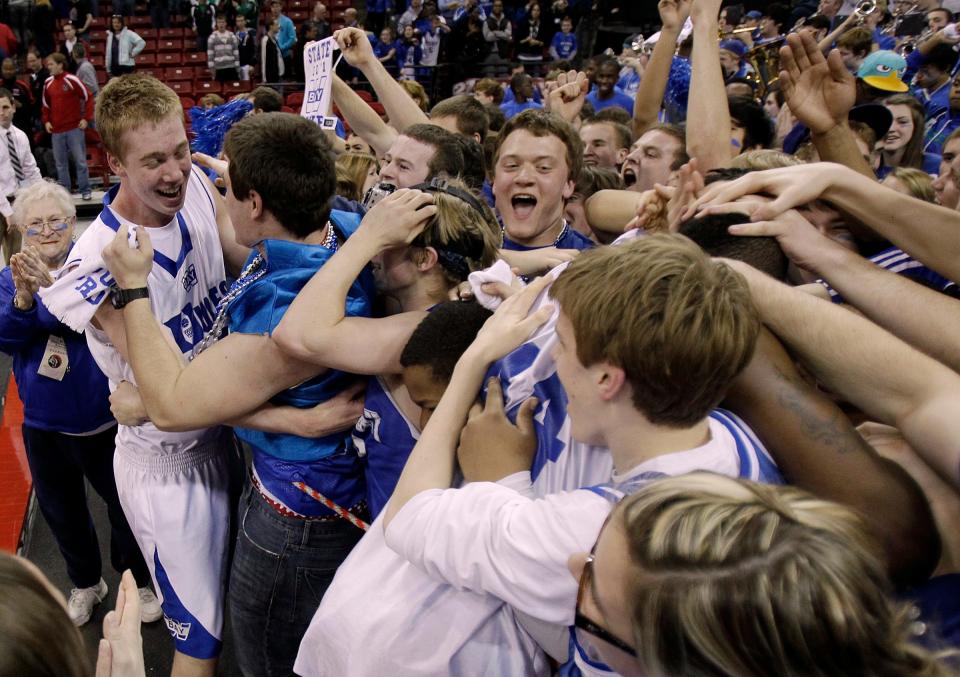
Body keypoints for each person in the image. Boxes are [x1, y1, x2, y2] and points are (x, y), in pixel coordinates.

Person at [100, 111, 375, 677]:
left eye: (229, 191)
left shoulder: (284, 311)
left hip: (292, 517)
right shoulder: (341, 228)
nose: (212, 192)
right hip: (310, 486)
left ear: (254, 206)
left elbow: (177, 403)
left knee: (266, 659)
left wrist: (130, 289)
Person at [39, 74, 246, 677]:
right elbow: (173, 391)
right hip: (168, 471)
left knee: (229, 617)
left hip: (223, 436)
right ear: (112, 163)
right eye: (153, 160)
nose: (174, 172)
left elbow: (246, 265)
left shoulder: (200, 187)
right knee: (197, 648)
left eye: (179, 150)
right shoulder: (95, 260)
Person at [274, 180, 500, 520]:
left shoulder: (426, 332)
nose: (377, 254)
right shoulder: (417, 313)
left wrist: (366, 239)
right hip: (398, 532)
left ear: (425, 259)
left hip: (415, 550)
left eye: (389, 242)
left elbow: (296, 334)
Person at [0, 180, 162, 628]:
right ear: (19, 229)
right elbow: (6, 335)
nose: (48, 231)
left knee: (123, 505)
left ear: (74, 224)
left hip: (103, 417)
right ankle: (86, 582)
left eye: (57, 221)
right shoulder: (9, 279)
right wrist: (23, 299)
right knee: (62, 510)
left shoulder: (94, 265)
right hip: (43, 424)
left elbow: (79, 319)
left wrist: (47, 290)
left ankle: (137, 579)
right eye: (35, 225)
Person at [494, 108, 594, 251]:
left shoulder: (592, 266)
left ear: (568, 184)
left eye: (543, 167)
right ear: (494, 181)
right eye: (512, 165)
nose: (523, 178)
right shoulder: (465, 252)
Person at [41, 53, 93, 201]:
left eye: (51, 64)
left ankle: (85, 190)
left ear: (60, 65)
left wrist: (86, 118)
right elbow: (45, 105)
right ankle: (65, 193)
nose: (48, 67)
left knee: (80, 161)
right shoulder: (48, 83)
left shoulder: (71, 79)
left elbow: (88, 96)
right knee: (60, 164)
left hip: (74, 128)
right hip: (56, 130)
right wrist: (46, 121)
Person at [0, 88, 41, 264]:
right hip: (3, 203)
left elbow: (30, 169)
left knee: (13, 258)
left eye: (5, 107)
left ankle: (10, 291)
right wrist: (7, 211)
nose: (1, 113)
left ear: (13, 107)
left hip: (15, 202)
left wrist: (42, 196)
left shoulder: (21, 136)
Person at [880, 94, 941, 177]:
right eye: (885, 120)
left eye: (902, 122)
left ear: (916, 127)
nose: (891, 129)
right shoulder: (865, 164)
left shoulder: (936, 166)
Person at [207, 14, 240, 82]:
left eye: (222, 22)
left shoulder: (232, 36)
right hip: (219, 69)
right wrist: (212, 69)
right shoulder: (212, 37)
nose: (221, 24)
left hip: (231, 67)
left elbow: (236, 53)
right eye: (219, 22)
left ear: (226, 23)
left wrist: (237, 67)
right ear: (216, 24)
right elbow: (210, 55)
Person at [269, 0, 296, 74]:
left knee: (286, 78)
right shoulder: (269, 21)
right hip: (273, 56)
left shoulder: (288, 21)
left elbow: (293, 38)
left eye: (277, 6)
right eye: (273, 7)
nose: (275, 9)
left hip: (285, 55)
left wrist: (282, 48)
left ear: (281, 7)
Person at [261, 18, 284, 84]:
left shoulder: (275, 40)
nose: (278, 27)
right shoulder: (266, 40)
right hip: (271, 78)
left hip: (278, 75)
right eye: (276, 25)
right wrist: (264, 78)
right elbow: (264, 59)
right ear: (271, 26)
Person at [236, 14, 257, 81]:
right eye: (238, 21)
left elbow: (255, 49)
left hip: (248, 65)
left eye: (242, 21)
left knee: (246, 85)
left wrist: (252, 64)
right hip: (237, 65)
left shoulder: (251, 33)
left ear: (245, 22)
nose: (240, 23)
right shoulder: (234, 35)